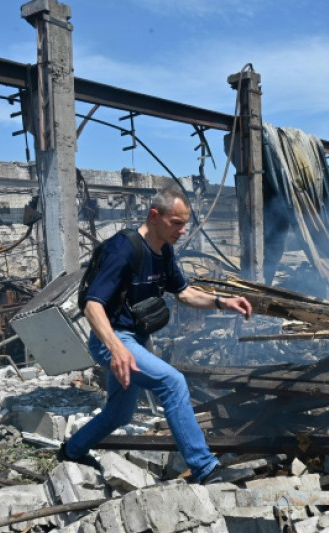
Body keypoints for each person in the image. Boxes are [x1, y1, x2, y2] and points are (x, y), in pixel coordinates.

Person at [58, 185, 252, 484]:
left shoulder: (164, 251)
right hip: (112, 339)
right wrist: (117, 349)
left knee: (120, 414)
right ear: (154, 215)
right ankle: (205, 468)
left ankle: (71, 451)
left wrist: (222, 301)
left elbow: (184, 293)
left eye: (185, 223)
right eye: (176, 223)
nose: (183, 230)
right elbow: (92, 306)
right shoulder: (122, 249)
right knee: (172, 383)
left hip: (135, 340)